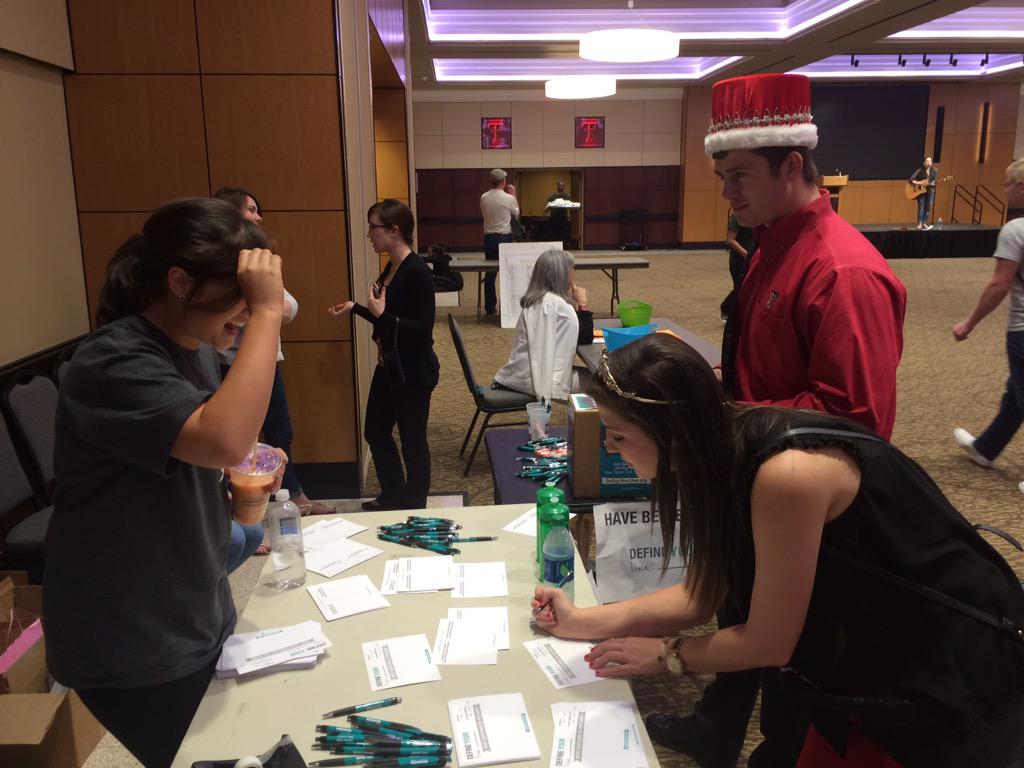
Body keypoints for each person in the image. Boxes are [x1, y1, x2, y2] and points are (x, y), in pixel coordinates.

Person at [533, 333, 1024, 768]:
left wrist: (667, 655)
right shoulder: (714, 454)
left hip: (945, 670)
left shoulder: (786, 474)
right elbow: (703, 593)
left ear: (672, 432)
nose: (612, 450)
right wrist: (579, 621)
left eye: (618, 437)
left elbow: (768, 642)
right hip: (863, 660)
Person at [662, 72, 907, 768]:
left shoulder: (843, 271)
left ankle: (779, 751)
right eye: (721, 175)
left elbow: (854, 422)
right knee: (740, 605)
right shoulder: (772, 240)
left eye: (739, 174)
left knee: (792, 654)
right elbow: (769, 371)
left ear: (793, 165)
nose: (727, 191)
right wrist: (718, 389)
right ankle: (716, 727)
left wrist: (726, 414)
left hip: (815, 505)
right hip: (757, 468)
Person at [43, 198, 286, 768]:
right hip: (130, 633)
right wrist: (269, 313)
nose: (247, 315)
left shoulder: (192, 348)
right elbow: (226, 439)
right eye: (241, 299)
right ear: (179, 281)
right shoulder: (111, 362)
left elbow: (213, 447)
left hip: (190, 605)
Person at [214, 187, 334, 520]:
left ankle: (292, 498)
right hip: (230, 367)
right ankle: (239, 513)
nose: (258, 217)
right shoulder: (226, 265)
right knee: (238, 441)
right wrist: (264, 306)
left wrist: (263, 306)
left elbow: (290, 306)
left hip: (265, 363)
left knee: (281, 433)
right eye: (251, 210)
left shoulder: (256, 258)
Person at [329, 200, 439, 511]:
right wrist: (357, 308)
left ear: (394, 230)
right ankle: (393, 494)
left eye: (373, 227)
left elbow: (422, 330)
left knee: (413, 441)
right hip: (390, 367)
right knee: (375, 431)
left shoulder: (417, 271)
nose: (369, 234)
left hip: (413, 371)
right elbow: (386, 317)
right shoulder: (392, 266)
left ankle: (414, 504)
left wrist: (382, 316)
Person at [951, 160, 1024, 474]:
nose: (1005, 190)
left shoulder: (1015, 230)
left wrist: (970, 322)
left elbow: (999, 285)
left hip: (1022, 330)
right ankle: (986, 448)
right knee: (1016, 391)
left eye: (1009, 184)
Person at [493, 248, 593, 402]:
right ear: (563, 274)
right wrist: (583, 304)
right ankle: (589, 425)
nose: (574, 274)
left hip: (518, 374)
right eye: (572, 270)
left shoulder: (536, 300)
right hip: (536, 380)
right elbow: (586, 336)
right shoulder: (558, 307)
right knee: (602, 382)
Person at [480, 168, 519, 315]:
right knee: (507, 273)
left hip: (489, 238)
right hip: (504, 237)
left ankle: (490, 307)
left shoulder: (483, 197)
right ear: (503, 181)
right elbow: (516, 213)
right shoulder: (508, 198)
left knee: (490, 273)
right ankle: (507, 307)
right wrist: (514, 194)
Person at [719, 210, 756, 324]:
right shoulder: (737, 217)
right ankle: (726, 308)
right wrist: (747, 255)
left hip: (753, 258)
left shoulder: (759, 216)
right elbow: (731, 240)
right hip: (739, 260)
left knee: (749, 287)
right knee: (740, 288)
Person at [909, 156, 938, 230]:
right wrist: (919, 183)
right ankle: (920, 223)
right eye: (927, 161)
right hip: (921, 192)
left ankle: (924, 223)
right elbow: (911, 179)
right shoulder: (920, 170)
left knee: (928, 208)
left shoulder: (934, 171)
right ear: (924, 163)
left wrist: (934, 183)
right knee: (921, 208)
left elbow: (935, 180)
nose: (929, 162)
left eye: (930, 161)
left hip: (930, 191)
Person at [547, 179, 572, 246]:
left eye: (563, 185)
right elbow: (547, 208)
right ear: (557, 186)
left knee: (563, 236)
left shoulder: (567, 197)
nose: (562, 187)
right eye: (560, 185)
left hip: (563, 219)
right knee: (554, 236)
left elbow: (571, 206)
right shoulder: (552, 197)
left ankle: (563, 249)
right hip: (554, 219)